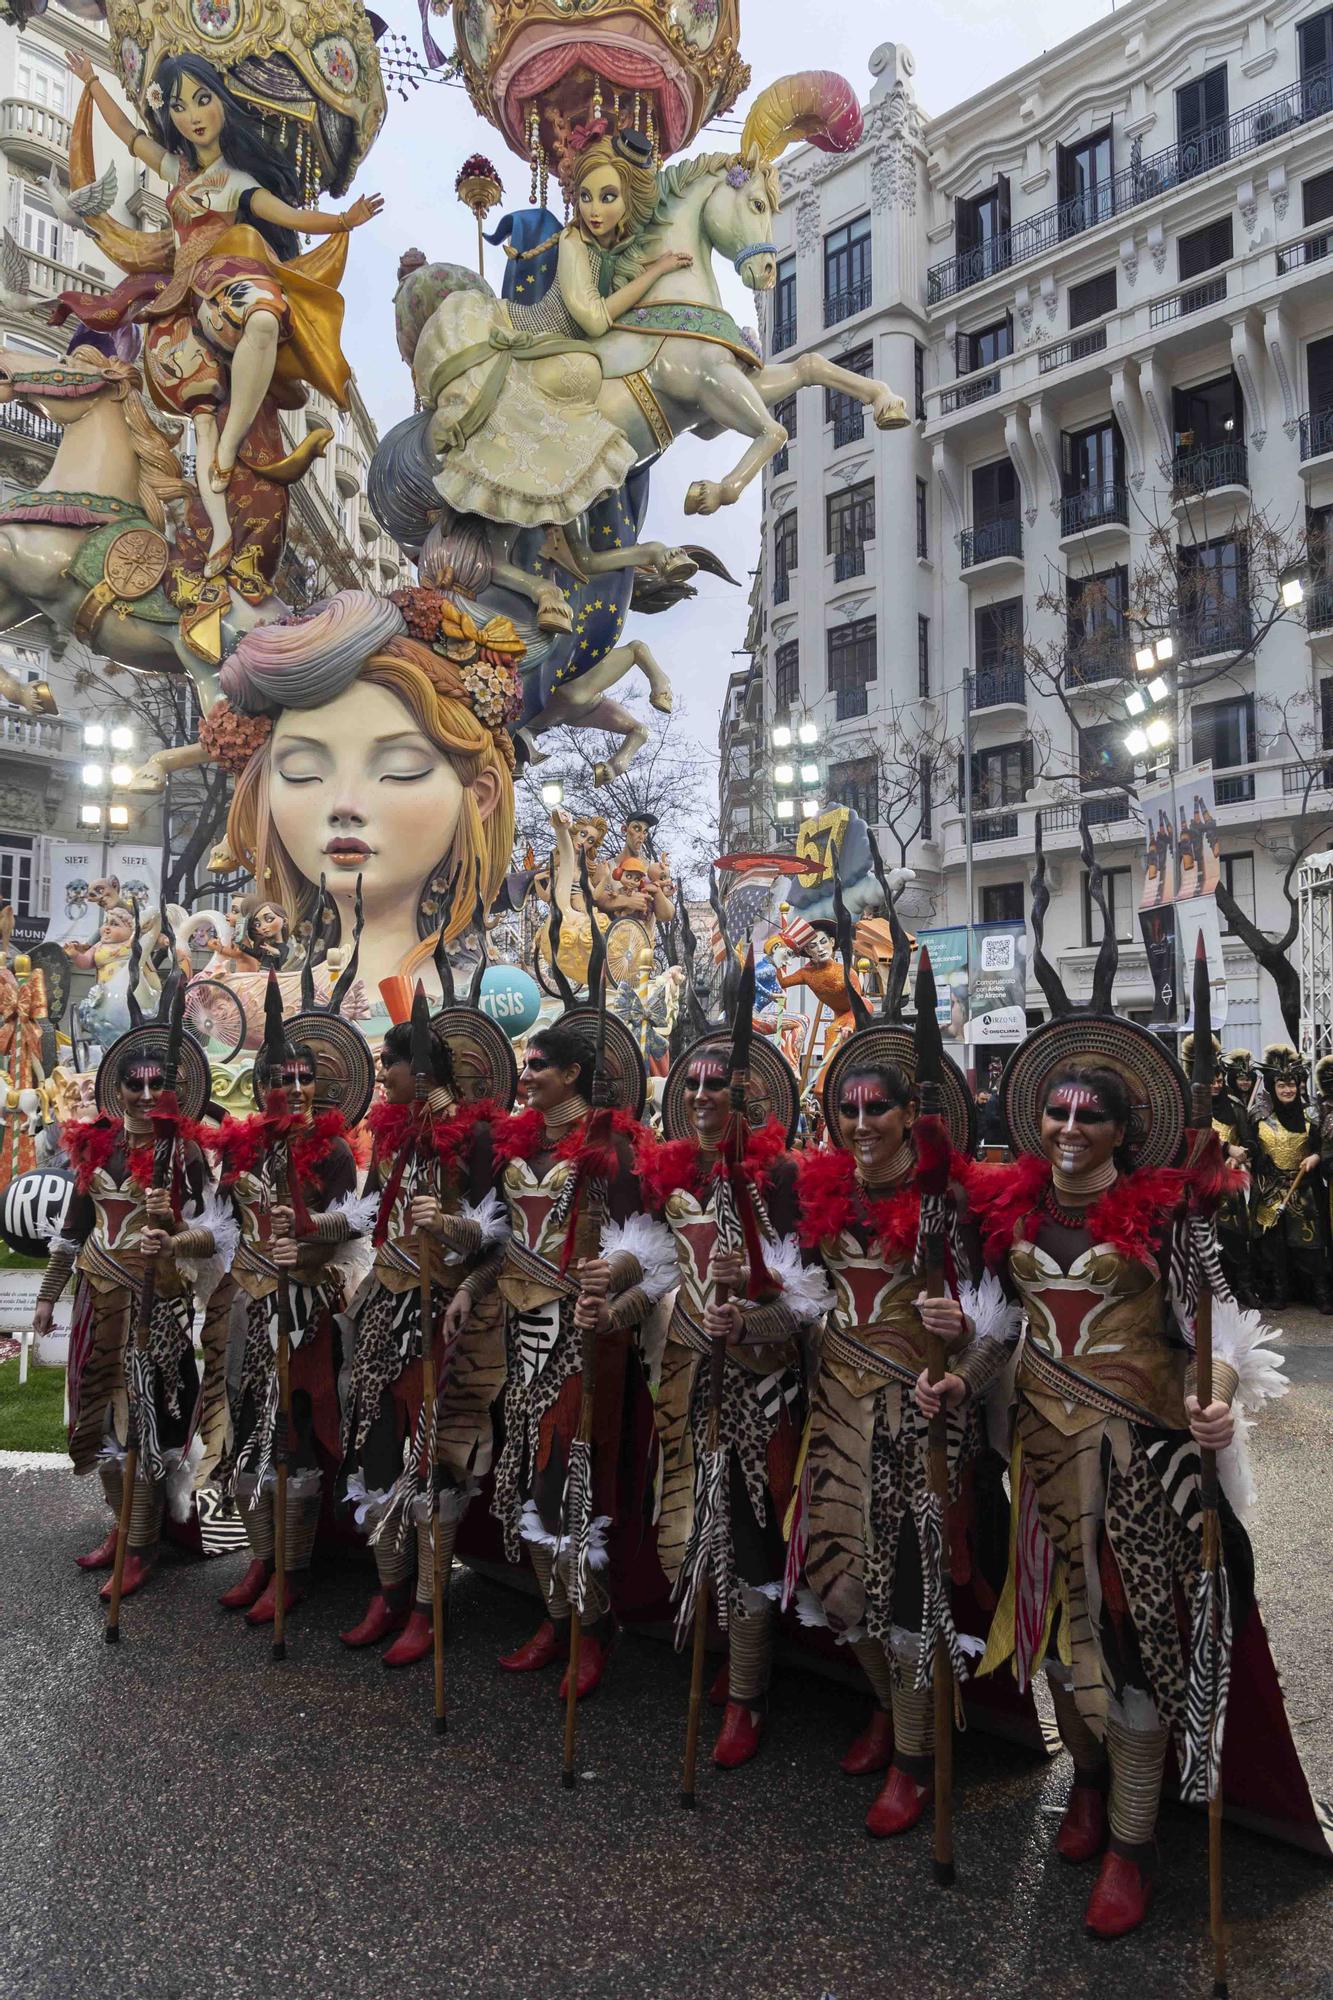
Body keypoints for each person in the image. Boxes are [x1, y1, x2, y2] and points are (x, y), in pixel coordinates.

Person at [950, 1043, 1272, 1938]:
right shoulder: (1009, 1212)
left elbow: (1225, 1332)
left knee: (1130, 1644)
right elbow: (999, 1330)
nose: (1068, 1128)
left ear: (1125, 1132)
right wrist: (959, 1378)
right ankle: (1086, 1786)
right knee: (1055, 1636)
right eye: (1056, 1113)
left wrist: (1216, 1400)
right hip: (1039, 1457)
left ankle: (1134, 1844)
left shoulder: (1172, 1222)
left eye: (1089, 1116)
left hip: (1135, 1466)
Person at [794, 1033, 1007, 1837]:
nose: (858, 1122)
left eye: (875, 1107)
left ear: (910, 1114)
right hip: (836, 1411)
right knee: (834, 1577)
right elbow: (807, 1298)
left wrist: (960, 1352)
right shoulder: (821, 1191)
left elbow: (1004, 1320)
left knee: (913, 1593)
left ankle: (913, 1764)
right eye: (845, 1109)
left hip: (919, 1423)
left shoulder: (952, 1204)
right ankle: (888, 1710)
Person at [60, 51, 382, 575]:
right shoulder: (178, 170)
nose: (193, 116)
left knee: (262, 318)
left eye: (203, 99)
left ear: (222, 105)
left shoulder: (235, 181)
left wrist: (344, 219)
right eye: (182, 106)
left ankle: (233, 446)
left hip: (229, 282)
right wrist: (93, 83)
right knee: (200, 411)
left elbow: (287, 214)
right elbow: (127, 136)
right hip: (182, 300)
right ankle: (220, 533)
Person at [637, 1031, 825, 1769]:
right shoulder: (674, 1169)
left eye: (717, 1087)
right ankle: (725, 1656)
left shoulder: (782, 1176)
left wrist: (751, 1310)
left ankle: (748, 1694)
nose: (701, 1097)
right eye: (690, 1087)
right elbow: (651, 1257)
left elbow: (812, 1298)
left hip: (761, 1386)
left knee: (750, 1530)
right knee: (696, 1521)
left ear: (749, 1098)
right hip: (689, 1373)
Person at [219, 590, 517, 1020]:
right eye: (302, 771)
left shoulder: (494, 1007)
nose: (345, 805)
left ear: (481, 795)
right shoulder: (247, 1009)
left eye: (400, 768)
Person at [490, 1014, 669, 1699]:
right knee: (521, 1483)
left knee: (563, 1487)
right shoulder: (518, 1142)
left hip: (581, 1338)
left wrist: (611, 1277)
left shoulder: (612, 1149)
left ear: (570, 1074)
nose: (526, 1074)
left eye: (538, 1065)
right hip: (518, 1332)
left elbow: (649, 1243)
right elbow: (500, 1235)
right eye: (525, 1064)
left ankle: (592, 1629)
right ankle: (555, 1618)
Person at [411, 127, 689, 562]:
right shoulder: (576, 243)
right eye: (586, 197)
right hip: (526, 338)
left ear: (629, 200)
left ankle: (566, 537)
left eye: (607, 197)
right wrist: (653, 273)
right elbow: (593, 319)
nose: (594, 210)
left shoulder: (617, 246)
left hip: (559, 350)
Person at [339, 1006, 511, 1664]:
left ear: (423, 1069)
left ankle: (427, 1608)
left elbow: (500, 1243)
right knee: (376, 1452)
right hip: (384, 1310)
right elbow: (370, 1213)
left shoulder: (475, 1140)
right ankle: (387, 1593)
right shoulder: (387, 1134)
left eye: (391, 1062)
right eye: (381, 1062)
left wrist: (454, 1245)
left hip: (446, 1321)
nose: (382, 1072)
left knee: (436, 1465)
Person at [33, 1016, 217, 1599]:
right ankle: (122, 1528)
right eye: (133, 1087)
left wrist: (173, 1225)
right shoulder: (96, 1144)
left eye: (154, 1088)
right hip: (96, 1300)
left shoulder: (185, 1155)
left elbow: (215, 1236)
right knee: (97, 1414)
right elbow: (73, 1230)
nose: (143, 1098)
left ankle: (142, 1548)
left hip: (155, 1306)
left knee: (144, 1422)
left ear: (172, 1092)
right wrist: (46, 1297)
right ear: (119, 1088)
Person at [208, 996, 371, 1625]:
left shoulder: (330, 1152)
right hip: (248, 1302)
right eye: (284, 1078)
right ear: (263, 1086)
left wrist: (304, 1236)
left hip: (304, 1309)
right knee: (246, 1424)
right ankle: (261, 1557)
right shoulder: (242, 1149)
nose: (297, 1088)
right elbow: (222, 1227)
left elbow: (350, 1231)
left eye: (306, 1077)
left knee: (293, 1430)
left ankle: (293, 1570)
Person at [1250, 1044, 1330, 1313]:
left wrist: (1316, 1157)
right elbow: (1251, 1147)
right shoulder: (1259, 1116)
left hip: (1304, 1188)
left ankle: (1321, 1294)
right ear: (1273, 1086)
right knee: (1274, 1246)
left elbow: (1325, 1147)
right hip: (1271, 1191)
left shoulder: (1312, 1115)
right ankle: (1279, 1292)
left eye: (1292, 1084)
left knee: (1310, 1244)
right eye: (1282, 1085)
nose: (1287, 1090)